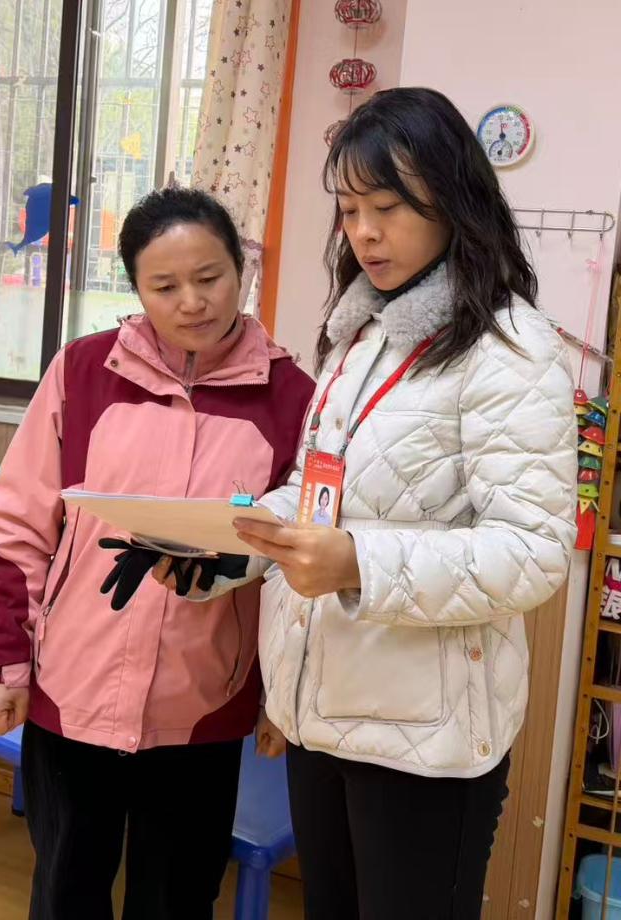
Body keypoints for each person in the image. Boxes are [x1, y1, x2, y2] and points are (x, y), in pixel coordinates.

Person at [165, 87, 577, 919]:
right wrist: (226, 547)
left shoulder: (508, 347)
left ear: (454, 201)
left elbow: (532, 552)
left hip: (427, 738)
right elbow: (319, 493)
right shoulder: (361, 335)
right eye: (350, 210)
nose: (364, 232)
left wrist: (359, 563)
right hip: (325, 709)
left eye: (387, 208)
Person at [0, 186, 314, 920]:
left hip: (202, 706)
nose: (192, 302)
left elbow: (297, 569)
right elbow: (17, 528)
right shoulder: (83, 372)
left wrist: (284, 697)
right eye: (165, 286)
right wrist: (2, 665)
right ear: (136, 289)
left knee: (177, 901)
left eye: (210, 277)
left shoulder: (293, 398)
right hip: (73, 693)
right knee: (66, 894)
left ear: (242, 269)